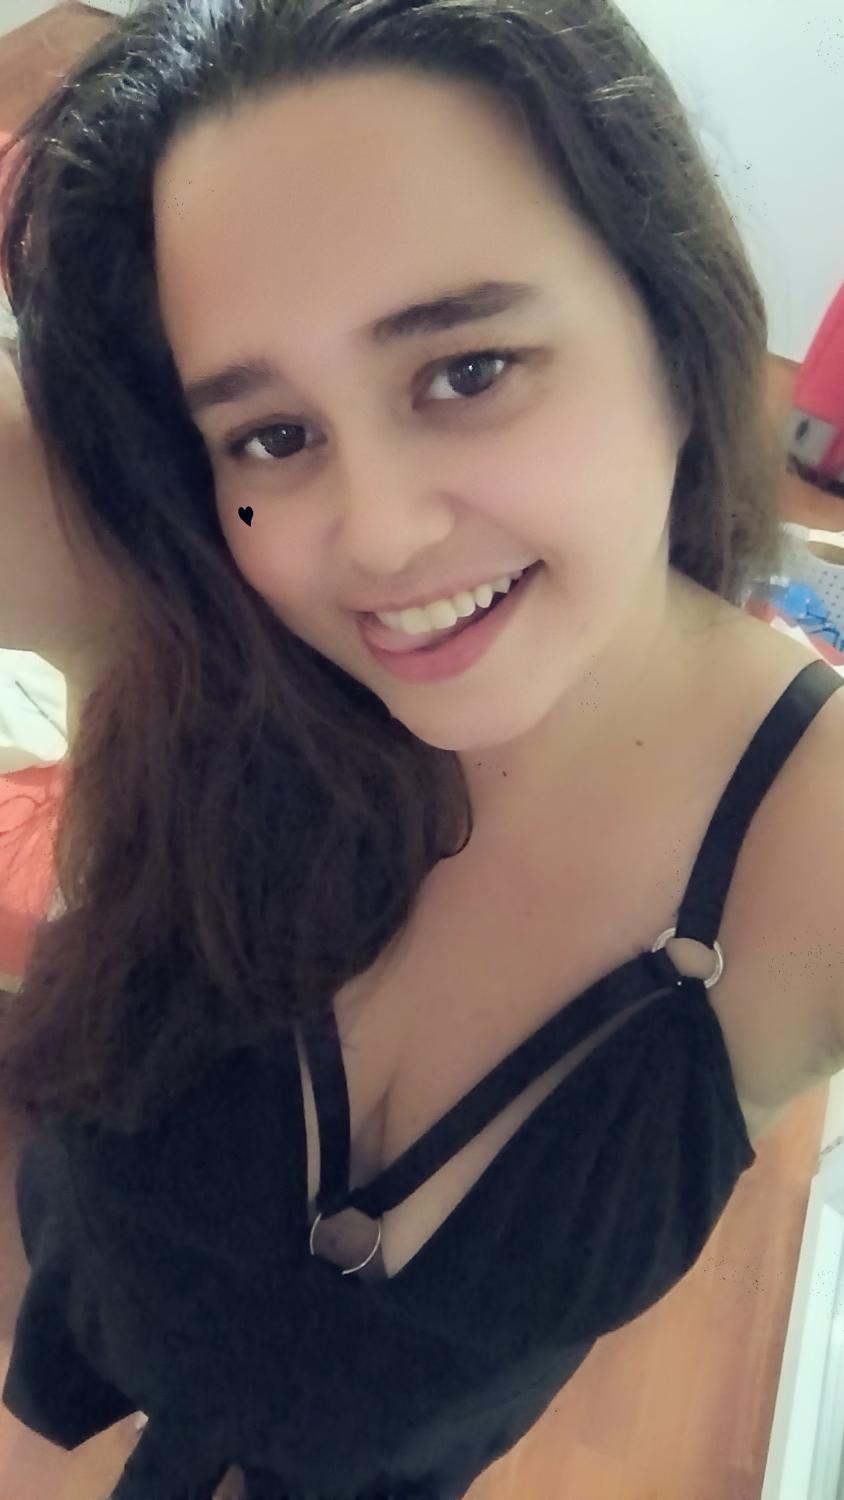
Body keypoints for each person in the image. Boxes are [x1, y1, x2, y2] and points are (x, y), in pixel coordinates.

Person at [1, 1, 843, 1497]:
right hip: (102, 1311)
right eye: (270, 434)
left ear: (671, 326)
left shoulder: (815, 841)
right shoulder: (169, 576)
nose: (378, 536)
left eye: (468, 370)